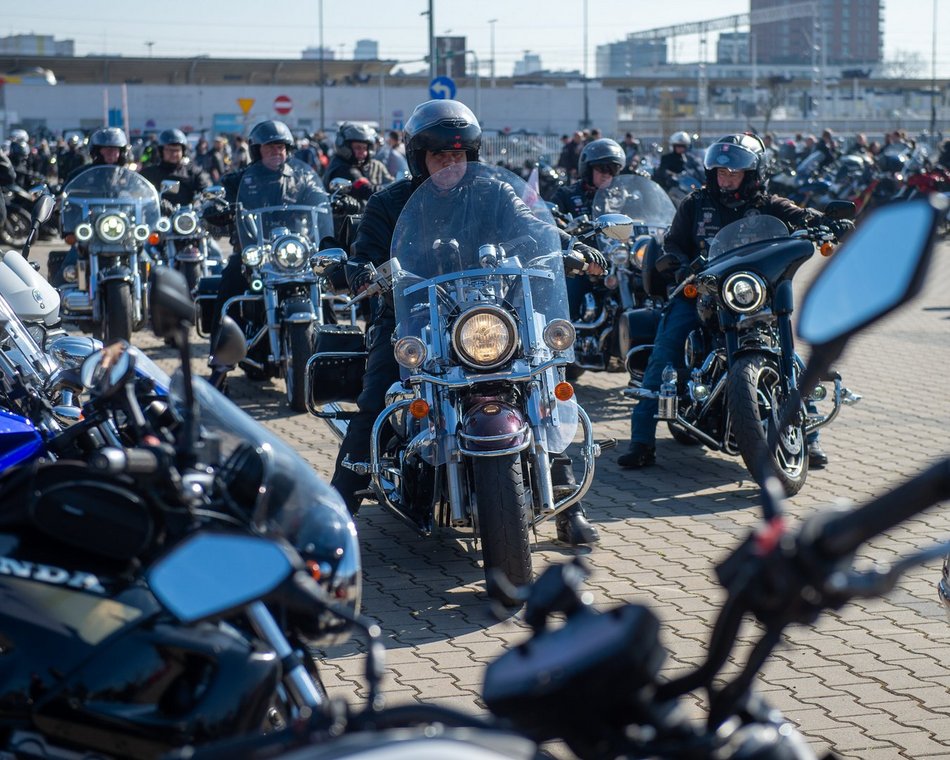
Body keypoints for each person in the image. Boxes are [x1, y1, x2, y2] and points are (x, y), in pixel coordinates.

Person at [330, 99, 607, 546]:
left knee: (543, 379)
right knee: (377, 394)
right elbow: (365, 251)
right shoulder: (389, 203)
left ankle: (568, 502)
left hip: (487, 314)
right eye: (439, 154)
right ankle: (338, 509)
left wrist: (569, 246)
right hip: (413, 316)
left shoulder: (492, 192)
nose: (449, 163)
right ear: (418, 157)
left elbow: (532, 224)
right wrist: (361, 270)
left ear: (471, 156)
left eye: (458, 155)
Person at [617, 133, 854, 471]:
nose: (726, 179)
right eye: (720, 173)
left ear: (753, 174)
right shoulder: (695, 204)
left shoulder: (770, 203)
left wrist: (826, 223)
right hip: (703, 290)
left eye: (734, 173)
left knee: (790, 357)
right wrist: (679, 263)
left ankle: (810, 437)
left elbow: (801, 216)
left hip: (752, 292)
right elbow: (673, 243)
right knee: (664, 352)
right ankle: (641, 441)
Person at [206, 119, 326, 378]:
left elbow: (319, 197)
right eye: (270, 147)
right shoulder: (237, 180)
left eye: (281, 147)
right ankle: (220, 362)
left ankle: (333, 355)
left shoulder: (301, 177)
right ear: (256, 150)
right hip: (254, 252)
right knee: (229, 286)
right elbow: (221, 200)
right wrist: (216, 208)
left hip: (295, 251)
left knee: (325, 286)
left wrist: (336, 203)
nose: (276, 152)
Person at [552, 138, 626, 319]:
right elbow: (550, 223)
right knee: (566, 303)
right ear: (588, 168)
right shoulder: (567, 194)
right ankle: (567, 336)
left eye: (613, 169)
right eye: (602, 168)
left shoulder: (622, 196)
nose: (607, 174)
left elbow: (644, 218)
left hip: (617, 262)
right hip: (582, 264)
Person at [140, 128, 213, 211]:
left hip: (185, 219)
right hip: (155, 218)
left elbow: (207, 192)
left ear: (183, 152)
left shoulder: (193, 173)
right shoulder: (149, 173)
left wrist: (200, 203)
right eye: (169, 150)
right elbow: (136, 193)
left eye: (177, 150)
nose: (174, 154)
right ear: (161, 151)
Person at [323, 122, 393, 201]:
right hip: (345, 213)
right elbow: (366, 190)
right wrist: (394, 191)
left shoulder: (371, 165)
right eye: (357, 147)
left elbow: (389, 180)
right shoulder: (342, 168)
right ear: (344, 146)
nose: (362, 152)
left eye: (365, 148)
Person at [64, 127, 130, 184]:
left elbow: (137, 191)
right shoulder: (82, 174)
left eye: (114, 149)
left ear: (121, 153)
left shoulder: (128, 175)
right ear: (97, 152)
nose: (110, 153)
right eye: (106, 149)